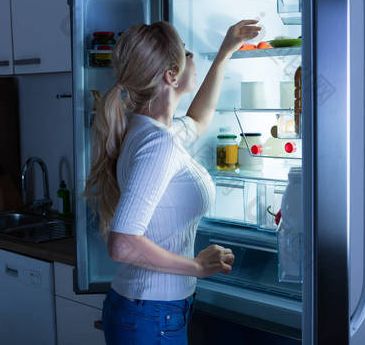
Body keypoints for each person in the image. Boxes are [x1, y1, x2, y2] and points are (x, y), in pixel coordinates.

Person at [85, 19, 261, 344]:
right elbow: (122, 243)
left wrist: (225, 52)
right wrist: (196, 266)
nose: (192, 57)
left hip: (147, 310)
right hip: (152, 314)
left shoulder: (147, 129)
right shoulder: (158, 144)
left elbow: (198, 119)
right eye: (187, 52)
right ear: (171, 75)